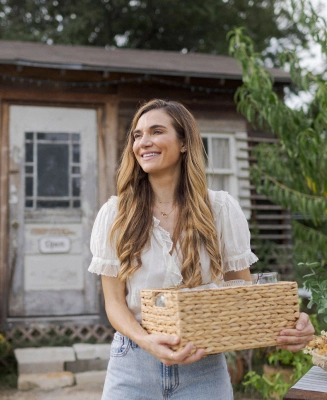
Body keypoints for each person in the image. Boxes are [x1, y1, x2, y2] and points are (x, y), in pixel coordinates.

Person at [88, 99, 314, 400]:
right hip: (134, 362)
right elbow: (114, 303)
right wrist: (148, 341)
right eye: (137, 135)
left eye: (156, 131)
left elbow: (241, 293)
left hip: (204, 365)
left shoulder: (220, 209)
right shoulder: (116, 214)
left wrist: (289, 325)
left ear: (184, 143)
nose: (144, 142)